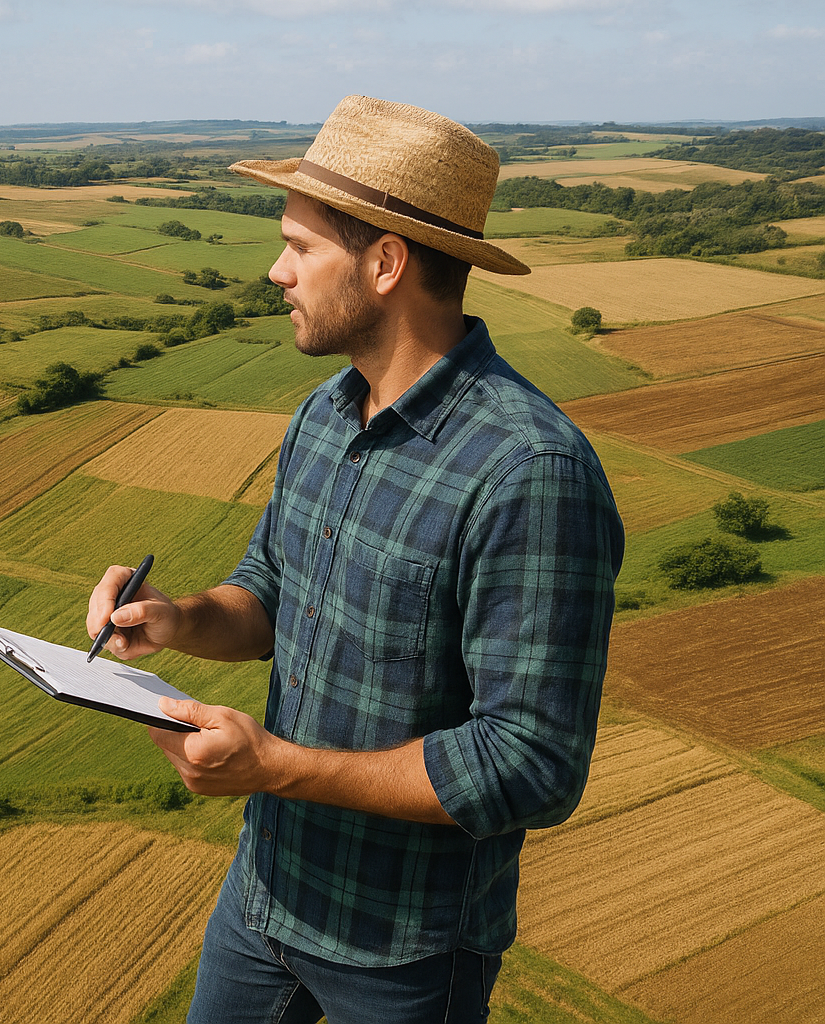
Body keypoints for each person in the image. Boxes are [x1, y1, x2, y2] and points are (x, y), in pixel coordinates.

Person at [86, 96, 623, 1023]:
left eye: (300, 247)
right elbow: (266, 597)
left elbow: (533, 764)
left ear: (385, 263)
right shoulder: (326, 416)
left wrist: (274, 766)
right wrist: (175, 617)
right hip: (266, 895)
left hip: (407, 949)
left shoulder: (529, 471)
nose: (275, 270)